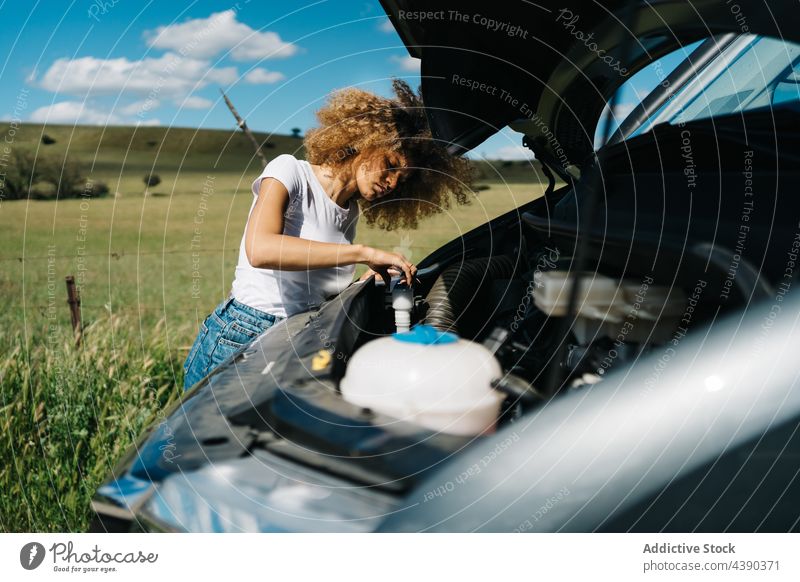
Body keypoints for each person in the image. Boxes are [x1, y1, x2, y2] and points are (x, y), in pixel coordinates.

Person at [182, 79, 473, 390]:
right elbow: (261, 249)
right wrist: (364, 253)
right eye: (390, 165)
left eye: (401, 182)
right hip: (244, 332)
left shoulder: (349, 211)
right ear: (367, 138)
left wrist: (360, 283)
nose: (390, 183)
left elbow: (314, 287)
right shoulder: (289, 172)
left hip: (297, 337)